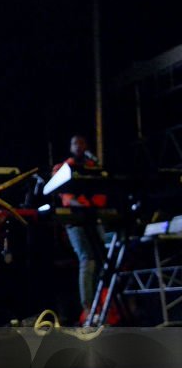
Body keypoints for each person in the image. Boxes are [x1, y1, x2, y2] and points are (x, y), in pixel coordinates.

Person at [52, 134, 107, 321]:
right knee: (87, 259)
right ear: (70, 147)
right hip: (75, 219)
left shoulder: (93, 167)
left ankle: (103, 305)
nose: (79, 146)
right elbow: (63, 194)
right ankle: (89, 308)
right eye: (75, 143)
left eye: (82, 143)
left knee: (102, 260)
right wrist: (80, 204)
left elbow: (102, 190)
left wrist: (93, 205)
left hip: (92, 217)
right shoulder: (63, 168)